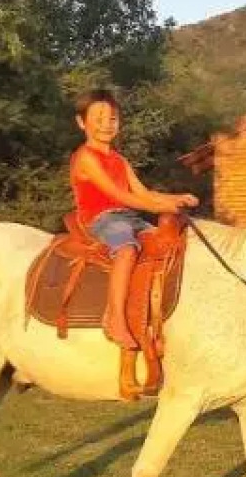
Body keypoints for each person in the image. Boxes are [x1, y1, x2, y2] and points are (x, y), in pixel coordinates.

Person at [68, 89, 199, 349]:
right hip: (101, 219)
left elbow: (142, 192)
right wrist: (162, 206)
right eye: (99, 118)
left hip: (128, 217)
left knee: (168, 244)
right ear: (82, 122)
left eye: (113, 119)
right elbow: (121, 196)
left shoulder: (119, 159)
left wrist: (175, 199)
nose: (107, 124)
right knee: (127, 249)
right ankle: (114, 317)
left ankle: (157, 316)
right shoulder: (85, 158)